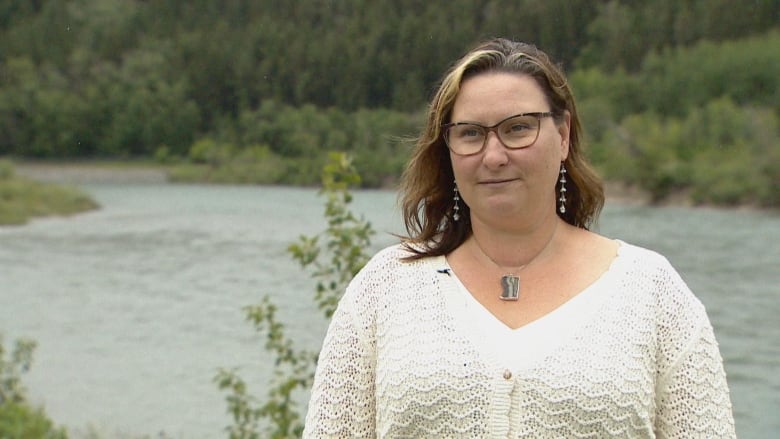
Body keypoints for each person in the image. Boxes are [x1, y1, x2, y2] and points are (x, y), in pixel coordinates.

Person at [303, 38, 736, 437]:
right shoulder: (385, 288)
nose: (494, 156)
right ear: (448, 149)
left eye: (518, 128)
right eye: (470, 133)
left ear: (563, 136)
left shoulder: (651, 293)